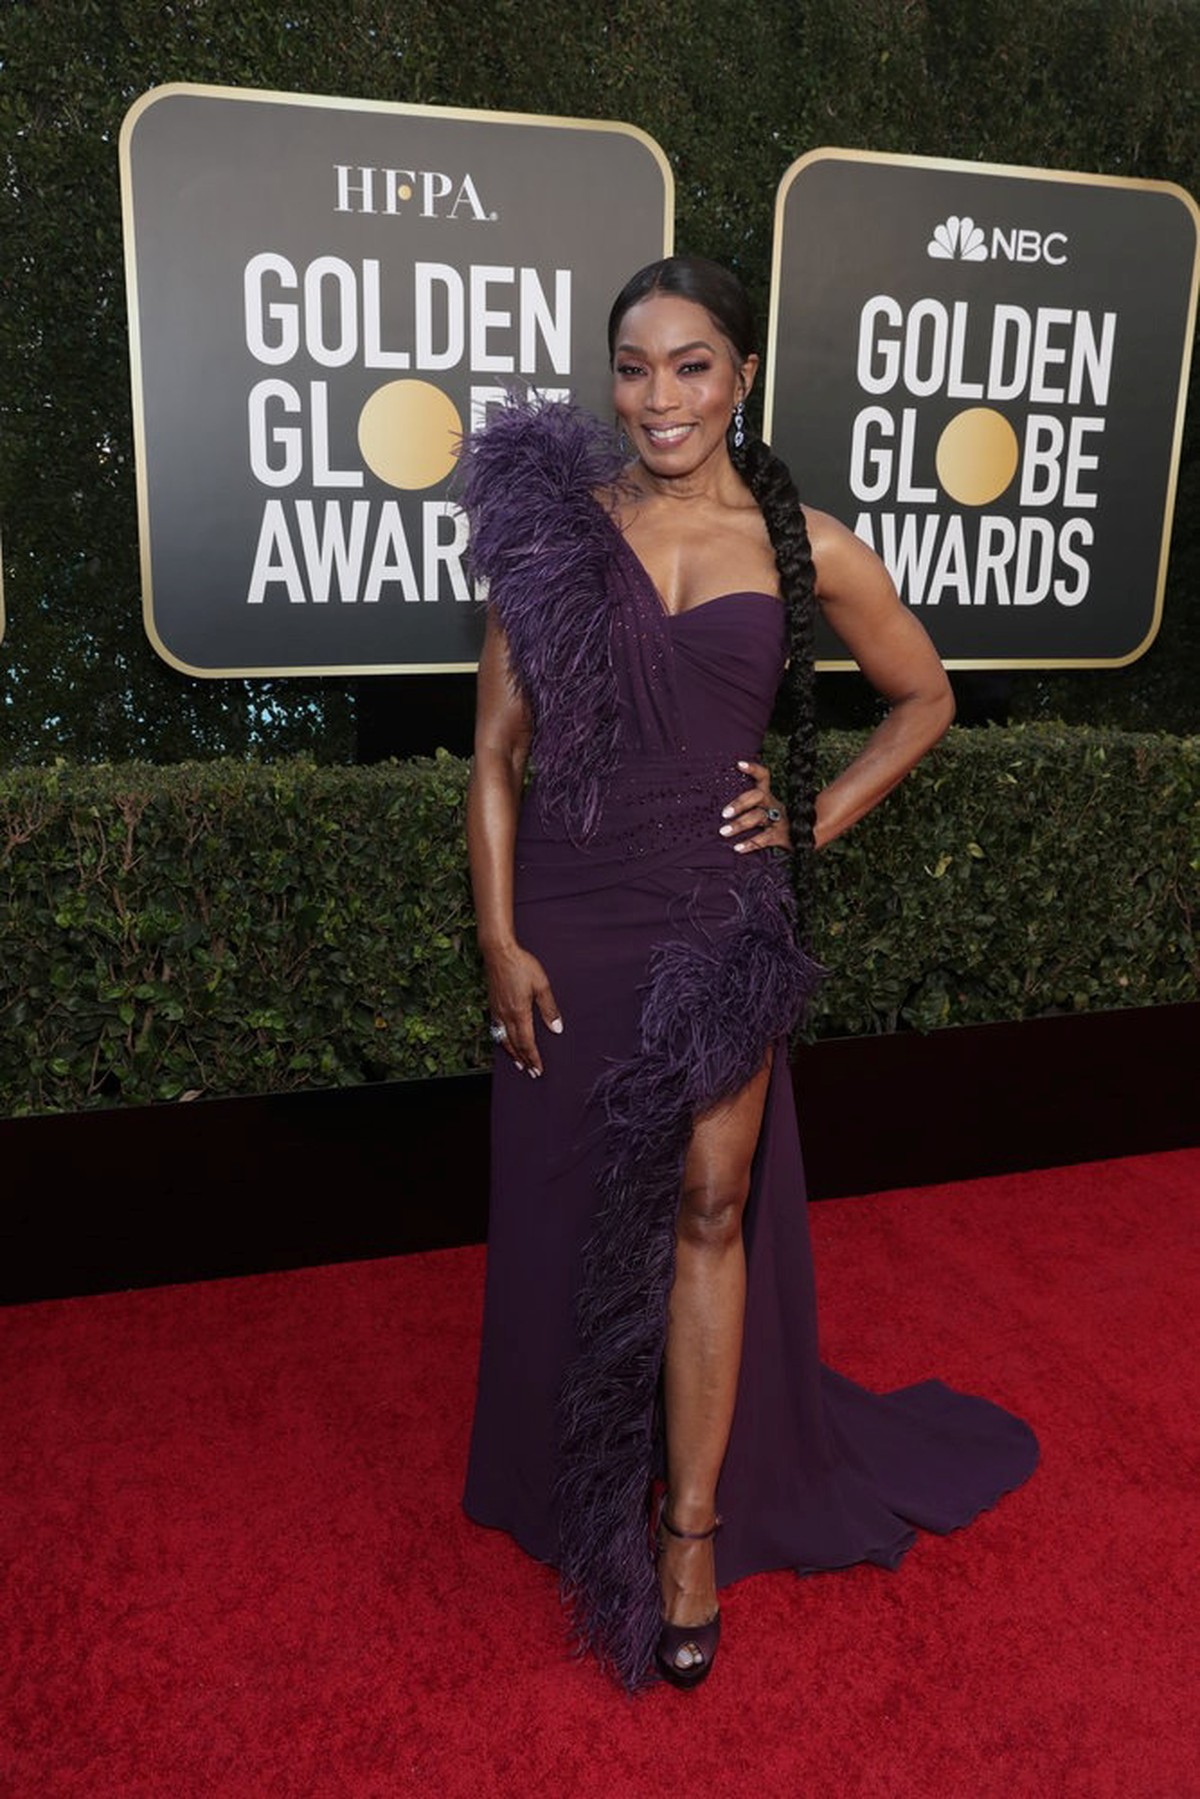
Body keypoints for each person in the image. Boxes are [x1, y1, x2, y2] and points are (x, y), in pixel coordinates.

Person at [459, 255, 1037, 1692]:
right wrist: (498, 935)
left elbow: (926, 697)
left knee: (710, 1203)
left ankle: (693, 1533)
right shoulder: (558, 536)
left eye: (692, 364)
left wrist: (812, 814)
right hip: (578, 912)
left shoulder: (805, 547)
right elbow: (493, 756)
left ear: (742, 378)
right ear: (613, 383)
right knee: (593, 1204)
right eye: (637, 368)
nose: (662, 397)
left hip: (723, 919)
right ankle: (585, 1476)